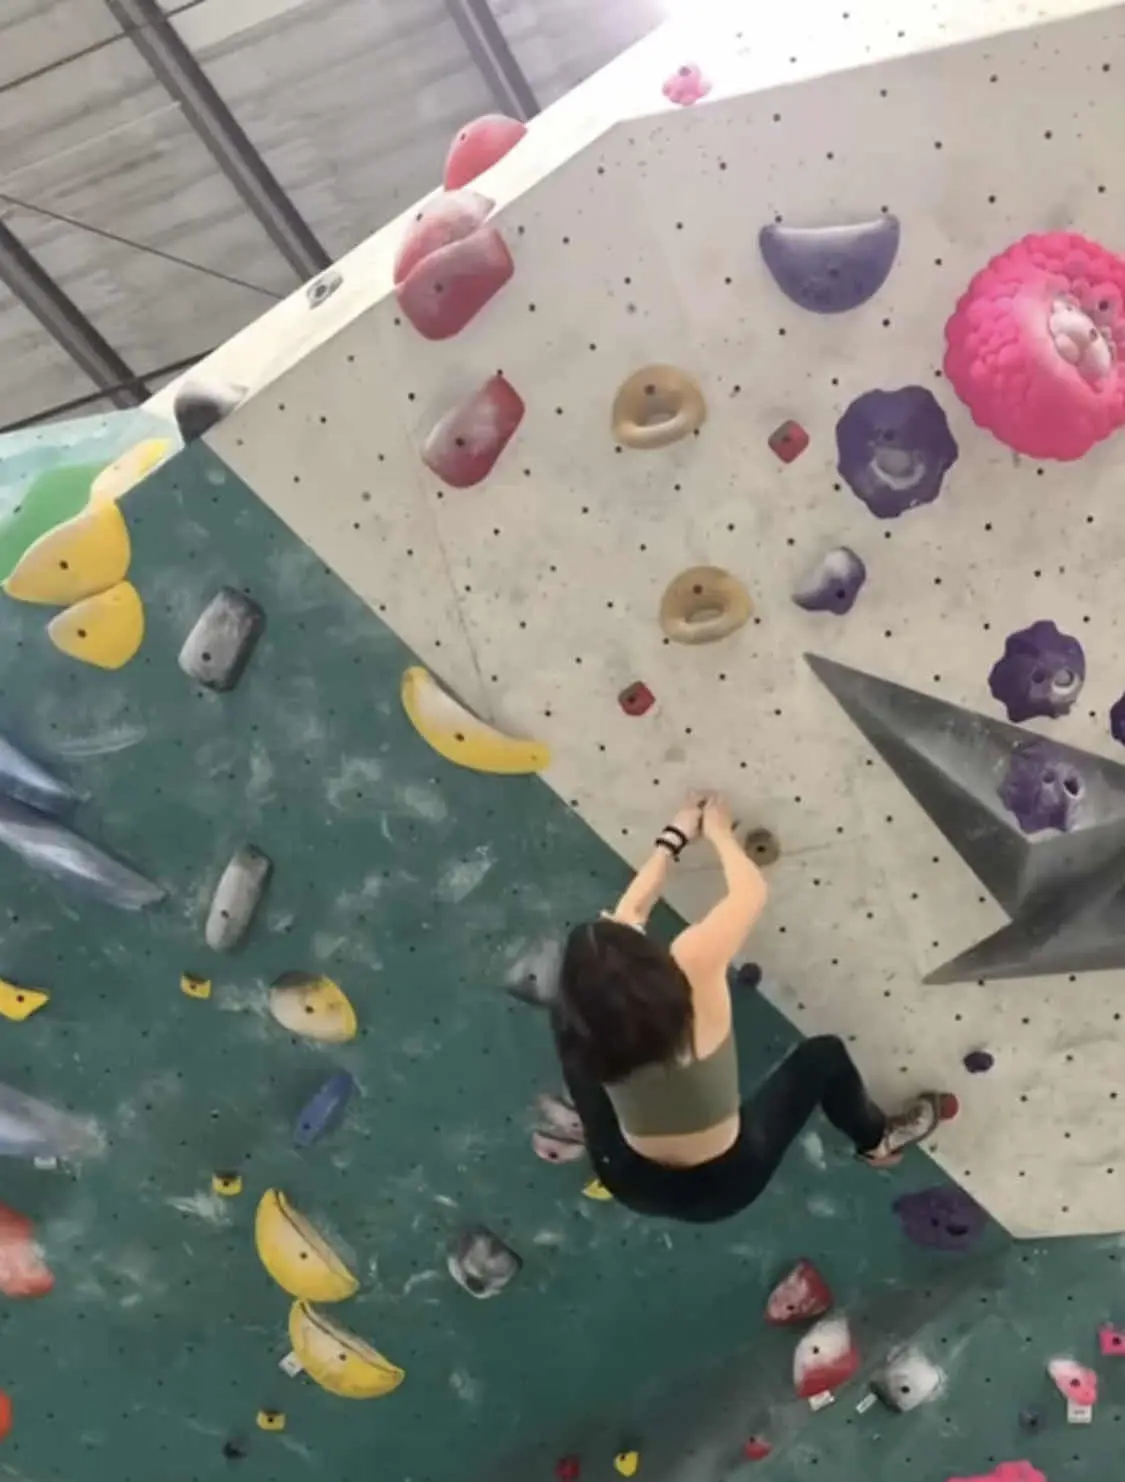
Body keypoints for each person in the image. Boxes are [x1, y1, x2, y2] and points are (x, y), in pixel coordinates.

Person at [548, 793, 944, 1224]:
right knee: (824, 1057)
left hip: (628, 1181)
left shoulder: (579, 1020)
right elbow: (749, 893)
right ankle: (877, 1141)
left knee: (573, 1042)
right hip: (724, 1182)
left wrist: (673, 838)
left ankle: (617, 1123)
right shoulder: (695, 969)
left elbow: (629, 913)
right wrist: (717, 832)